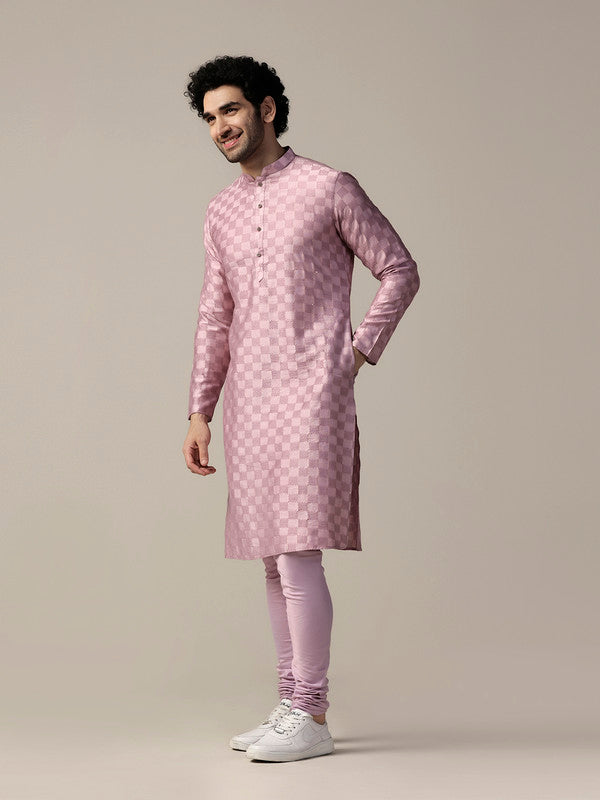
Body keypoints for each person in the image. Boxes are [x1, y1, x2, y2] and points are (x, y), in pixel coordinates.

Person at [181, 55, 420, 763]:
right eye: (210, 118)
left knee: (296, 551)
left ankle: (312, 712)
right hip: (249, 401)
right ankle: (291, 703)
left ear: (266, 108)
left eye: (230, 109)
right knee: (270, 558)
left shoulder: (327, 187)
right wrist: (200, 408)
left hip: (311, 394)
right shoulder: (221, 211)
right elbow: (214, 315)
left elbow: (399, 269)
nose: (220, 126)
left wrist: (354, 352)